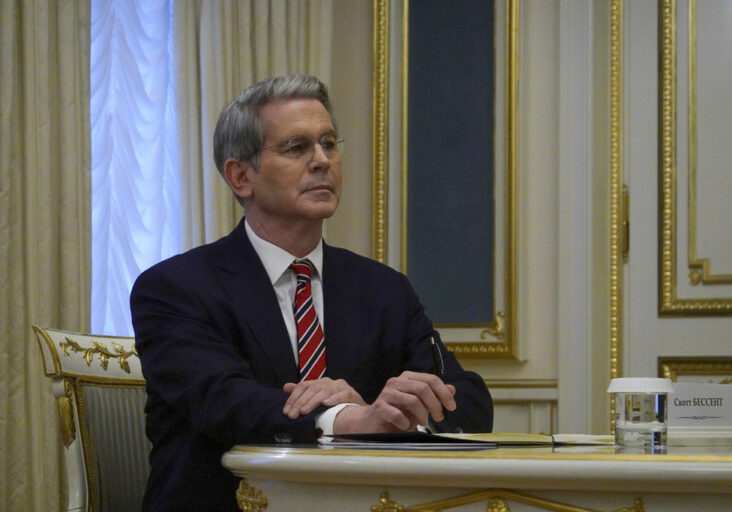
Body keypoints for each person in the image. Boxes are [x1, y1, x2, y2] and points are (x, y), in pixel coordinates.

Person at [130, 74, 493, 511]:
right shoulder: (176, 288)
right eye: (296, 147)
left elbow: (467, 400)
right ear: (241, 176)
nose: (322, 160)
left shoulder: (384, 289)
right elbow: (228, 402)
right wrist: (353, 420)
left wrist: (397, 415)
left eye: (329, 144)